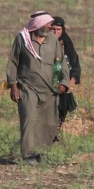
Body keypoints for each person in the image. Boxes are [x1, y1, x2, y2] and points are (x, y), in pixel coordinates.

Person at [9, 12, 67, 165]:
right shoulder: (22, 39)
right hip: (28, 87)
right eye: (47, 24)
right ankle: (28, 155)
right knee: (29, 118)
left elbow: (61, 62)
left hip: (50, 88)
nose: (50, 27)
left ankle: (41, 153)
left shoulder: (53, 39)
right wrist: (13, 86)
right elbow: (13, 63)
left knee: (48, 122)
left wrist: (64, 83)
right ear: (38, 25)